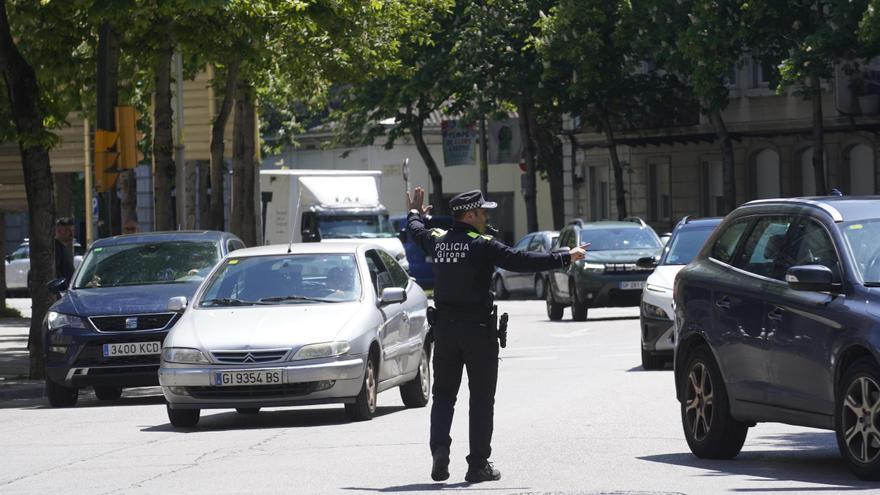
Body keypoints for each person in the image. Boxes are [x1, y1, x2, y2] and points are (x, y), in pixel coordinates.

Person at [405, 187, 587, 483]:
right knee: (480, 399)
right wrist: (565, 257)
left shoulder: (437, 241)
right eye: (483, 212)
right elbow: (522, 259)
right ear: (471, 214)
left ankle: (440, 450)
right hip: (478, 332)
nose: (487, 216)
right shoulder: (483, 244)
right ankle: (477, 465)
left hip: (446, 332)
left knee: (443, 397)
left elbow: (415, 231)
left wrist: (416, 213)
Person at [54, 217, 76, 284]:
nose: (71, 234)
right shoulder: (56, 249)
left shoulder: (64, 248)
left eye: (72, 231)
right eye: (67, 230)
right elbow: (56, 270)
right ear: (58, 231)